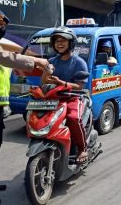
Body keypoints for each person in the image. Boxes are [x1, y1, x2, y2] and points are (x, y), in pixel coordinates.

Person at [0, 8, 50, 205]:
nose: (2, 29)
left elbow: (6, 65)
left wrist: (20, 72)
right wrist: (36, 60)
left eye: (4, 26)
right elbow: (8, 58)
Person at [42, 26, 89, 164]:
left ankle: (82, 148)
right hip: (55, 98)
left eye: (63, 40)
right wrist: (46, 73)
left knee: (73, 118)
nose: (60, 43)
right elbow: (43, 83)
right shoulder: (51, 62)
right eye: (57, 41)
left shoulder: (79, 63)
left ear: (71, 43)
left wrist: (61, 82)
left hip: (73, 97)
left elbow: (80, 86)